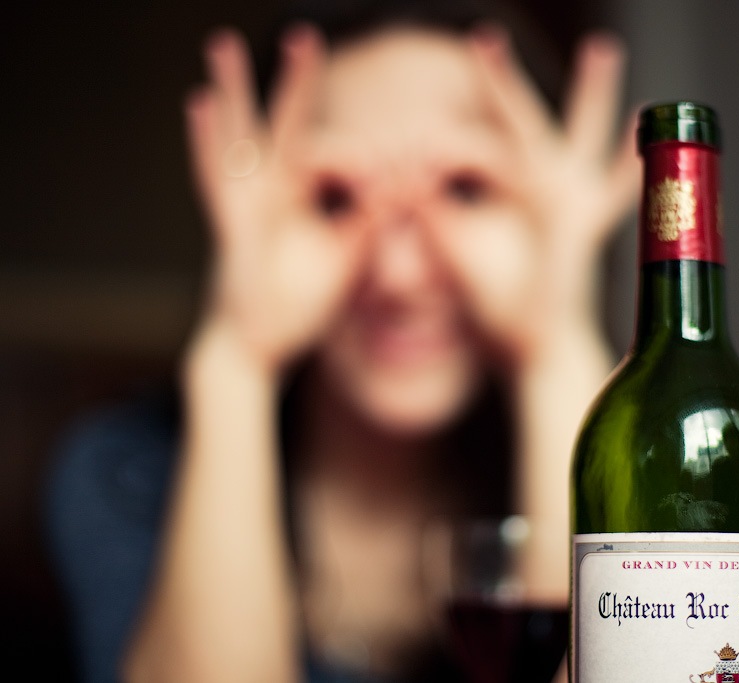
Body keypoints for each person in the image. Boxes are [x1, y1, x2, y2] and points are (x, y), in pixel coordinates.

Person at [47, 1, 640, 681]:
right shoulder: (126, 473)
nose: (400, 274)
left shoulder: (636, 457)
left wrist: (556, 345)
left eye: (466, 189)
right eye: (333, 198)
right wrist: (238, 356)